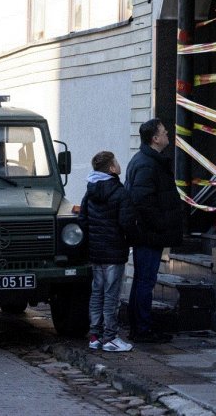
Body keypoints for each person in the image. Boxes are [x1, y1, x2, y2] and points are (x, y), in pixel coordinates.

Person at [125, 119, 183, 343]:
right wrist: (161, 225)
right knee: (145, 281)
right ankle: (142, 328)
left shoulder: (148, 161)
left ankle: (140, 326)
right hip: (148, 234)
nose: (168, 133)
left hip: (148, 232)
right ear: (155, 139)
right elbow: (142, 202)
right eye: (164, 131)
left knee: (143, 280)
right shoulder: (147, 163)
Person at [78, 151, 138, 352]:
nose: (119, 165)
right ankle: (110, 337)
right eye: (117, 162)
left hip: (96, 252)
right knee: (112, 294)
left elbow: (83, 221)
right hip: (114, 251)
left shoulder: (90, 191)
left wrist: (89, 244)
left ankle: (95, 336)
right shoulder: (120, 192)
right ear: (112, 168)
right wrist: (131, 241)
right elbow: (127, 223)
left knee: (97, 292)